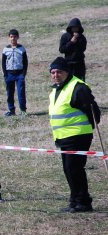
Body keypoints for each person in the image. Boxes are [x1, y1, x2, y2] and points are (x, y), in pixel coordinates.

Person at [48, 57, 100, 213]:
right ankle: (75, 200)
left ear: (67, 72)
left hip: (77, 136)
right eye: (53, 72)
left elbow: (93, 111)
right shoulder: (57, 89)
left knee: (74, 169)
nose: (56, 75)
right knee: (68, 169)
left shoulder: (78, 87)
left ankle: (83, 202)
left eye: (59, 72)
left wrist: (92, 125)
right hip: (63, 136)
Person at [2, 29, 28, 116]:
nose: (13, 38)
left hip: (19, 73)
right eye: (11, 37)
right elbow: (3, 62)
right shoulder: (6, 49)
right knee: (10, 93)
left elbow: (25, 61)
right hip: (9, 74)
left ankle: (23, 110)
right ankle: (11, 110)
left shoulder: (21, 48)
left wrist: (23, 73)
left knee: (21, 92)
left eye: (15, 37)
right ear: (9, 37)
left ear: (18, 37)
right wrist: (5, 74)